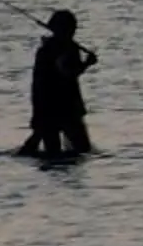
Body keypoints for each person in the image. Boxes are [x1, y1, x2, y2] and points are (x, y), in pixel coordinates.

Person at [17, 10, 96, 157]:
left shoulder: (56, 48)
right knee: (70, 150)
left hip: (57, 106)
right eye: (70, 28)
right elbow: (68, 72)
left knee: (58, 150)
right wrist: (87, 64)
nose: (73, 32)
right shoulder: (55, 50)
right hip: (56, 107)